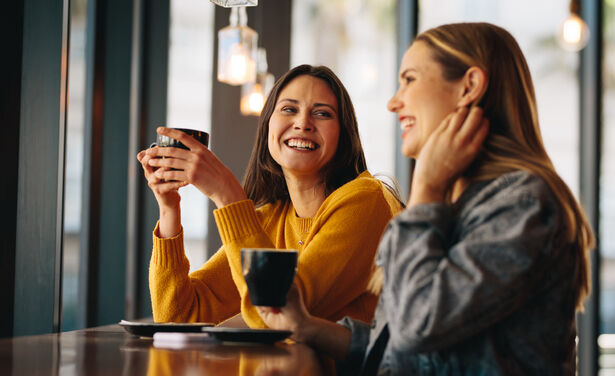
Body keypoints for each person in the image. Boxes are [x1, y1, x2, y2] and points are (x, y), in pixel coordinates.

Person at [256, 22, 595, 375]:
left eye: (410, 79)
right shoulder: (459, 204)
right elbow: (401, 349)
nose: (393, 102)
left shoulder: (524, 204)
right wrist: (308, 328)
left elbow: (419, 326)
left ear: (469, 86)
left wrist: (426, 190)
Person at [136, 64, 404, 328]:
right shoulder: (270, 220)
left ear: (343, 135)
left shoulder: (365, 200)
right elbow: (178, 317)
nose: (302, 123)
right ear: (267, 128)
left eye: (322, 114)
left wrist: (227, 194)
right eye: (289, 109)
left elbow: (280, 314)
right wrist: (169, 208)